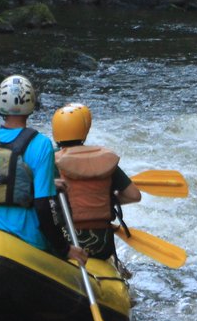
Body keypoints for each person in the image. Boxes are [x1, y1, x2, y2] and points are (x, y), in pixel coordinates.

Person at [0, 74, 86, 263]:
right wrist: (64, 249)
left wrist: (46, 183)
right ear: (31, 103)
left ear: (0, 102)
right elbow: (44, 205)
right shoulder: (41, 144)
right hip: (27, 239)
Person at [52, 103, 141, 261]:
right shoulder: (104, 160)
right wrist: (108, 200)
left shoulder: (51, 160)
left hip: (66, 242)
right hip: (102, 244)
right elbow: (134, 195)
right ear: (84, 131)